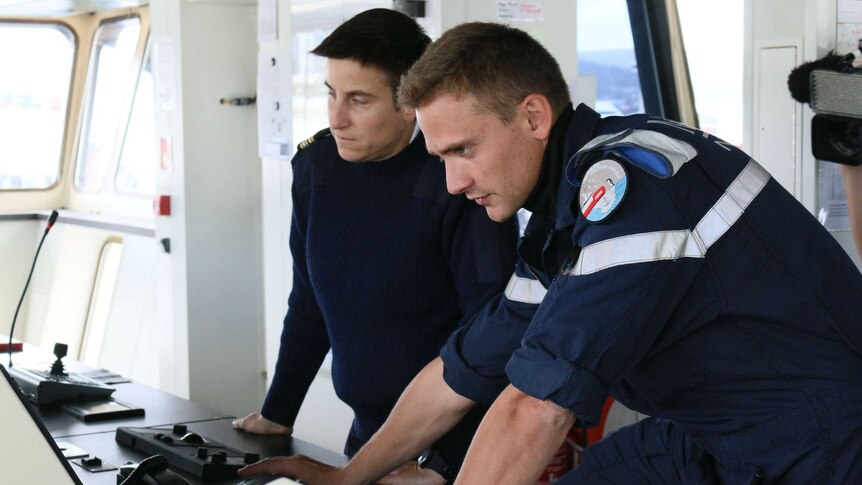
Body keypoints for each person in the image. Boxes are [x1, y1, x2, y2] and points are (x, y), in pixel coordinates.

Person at [240, 21, 862, 485]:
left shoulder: (633, 188)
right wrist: (354, 478)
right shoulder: (563, 216)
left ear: (533, 116)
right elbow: (461, 372)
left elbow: (536, 409)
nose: (454, 184)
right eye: (441, 160)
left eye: (464, 151)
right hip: (714, 432)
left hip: (824, 444)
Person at [232, 11, 519, 483]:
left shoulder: (458, 181)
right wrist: (278, 410)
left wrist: (440, 463)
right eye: (331, 95)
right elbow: (309, 302)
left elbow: (493, 339)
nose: (337, 118)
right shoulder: (315, 167)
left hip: (453, 446)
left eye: (359, 101)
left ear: (410, 104)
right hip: (369, 437)